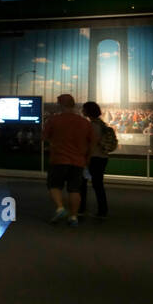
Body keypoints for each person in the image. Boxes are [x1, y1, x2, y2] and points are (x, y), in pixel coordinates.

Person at [42, 94, 94, 226]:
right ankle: (73, 217)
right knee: (74, 190)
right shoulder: (84, 122)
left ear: (60, 105)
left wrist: (53, 143)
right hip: (78, 161)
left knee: (54, 186)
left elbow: (44, 137)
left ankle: (60, 208)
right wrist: (87, 159)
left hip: (59, 159)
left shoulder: (53, 120)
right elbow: (92, 143)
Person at [79, 101, 110, 219]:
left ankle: (81, 208)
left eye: (83, 109)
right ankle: (102, 210)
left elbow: (91, 144)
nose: (82, 111)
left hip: (93, 158)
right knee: (98, 185)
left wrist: (87, 159)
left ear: (88, 111)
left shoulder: (91, 125)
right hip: (102, 157)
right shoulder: (102, 124)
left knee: (82, 184)